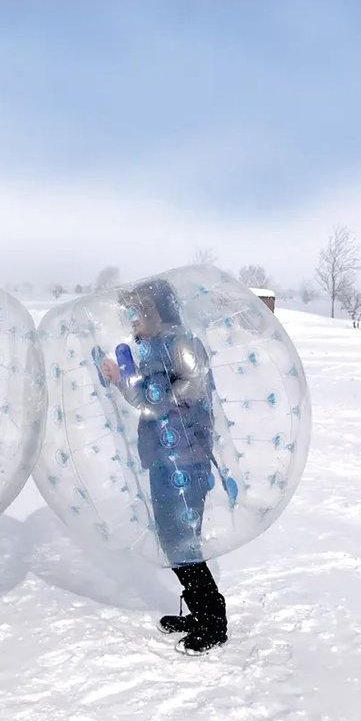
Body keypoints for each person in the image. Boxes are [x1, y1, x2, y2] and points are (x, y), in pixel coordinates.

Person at [99, 279, 228, 655]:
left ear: (154, 309)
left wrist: (160, 395)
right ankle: (199, 611)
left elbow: (196, 387)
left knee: (183, 539)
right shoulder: (152, 348)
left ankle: (213, 621)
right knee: (173, 539)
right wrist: (120, 379)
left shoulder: (180, 343)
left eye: (134, 311)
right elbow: (146, 402)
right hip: (162, 455)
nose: (130, 320)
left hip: (187, 457)